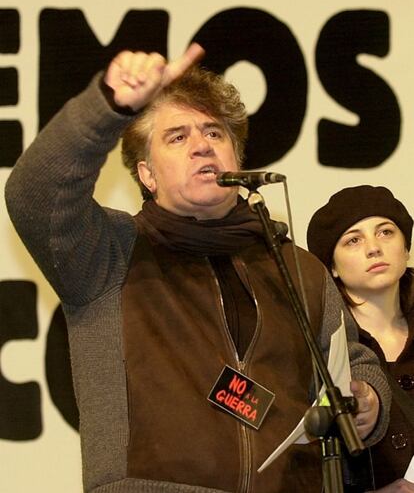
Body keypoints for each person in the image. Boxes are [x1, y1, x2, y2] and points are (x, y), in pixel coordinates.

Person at [5, 44, 390, 493]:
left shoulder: (297, 267)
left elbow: (353, 359)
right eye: (178, 137)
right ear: (146, 175)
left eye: (214, 133)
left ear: (237, 159)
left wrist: (370, 399)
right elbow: (34, 195)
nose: (202, 145)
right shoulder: (107, 252)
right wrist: (108, 107)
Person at [307, 185, 414, 492]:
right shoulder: (320, 345)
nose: (373, 248)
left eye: (385, 232)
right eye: (353, 240)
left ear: (406, 248)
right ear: (332, 268)